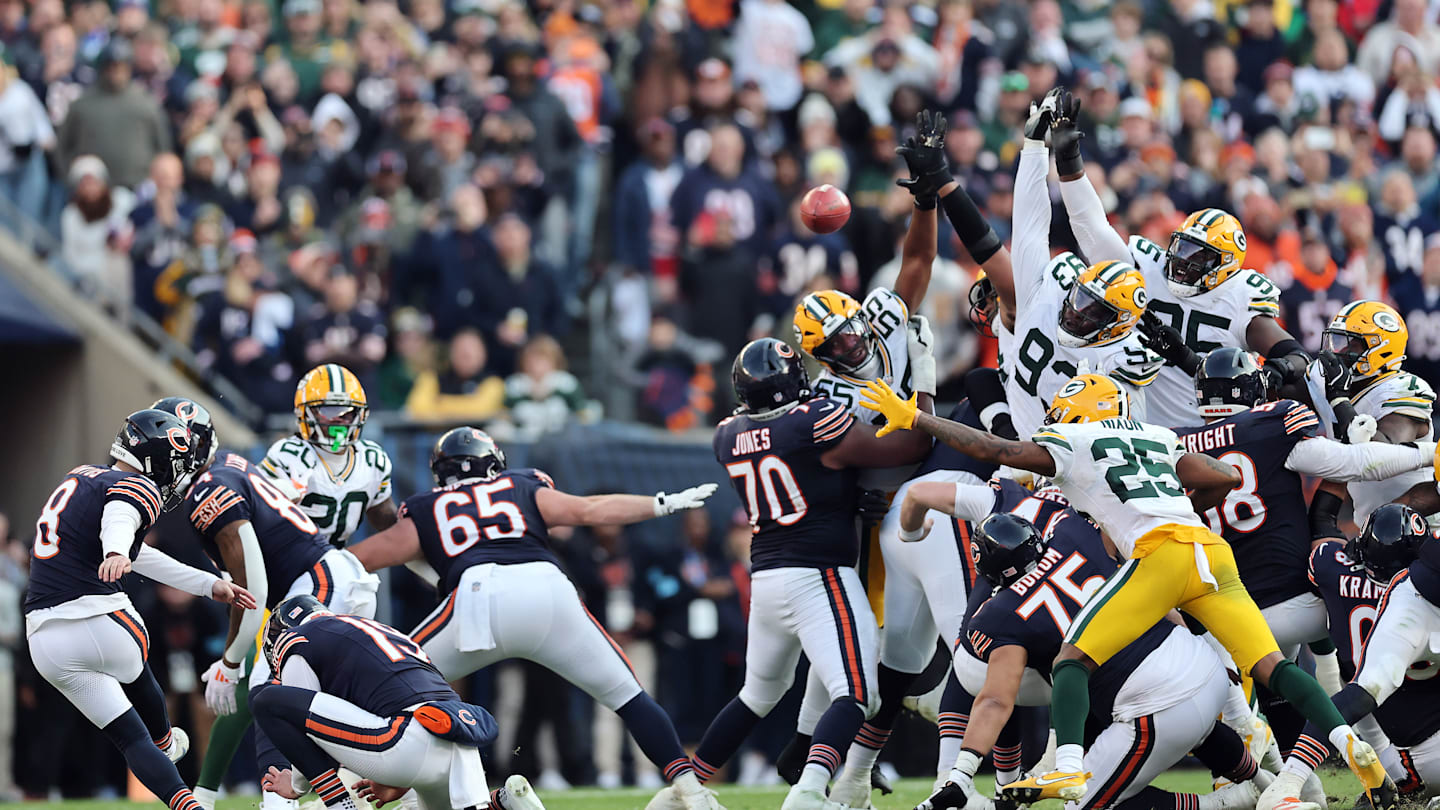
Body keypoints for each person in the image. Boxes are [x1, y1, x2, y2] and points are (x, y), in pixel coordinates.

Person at [860, 373, 1397, 810]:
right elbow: (1222, 476)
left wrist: (919, 419)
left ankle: (1067, 763)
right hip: (1209, 551)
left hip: (1159, 556)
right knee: (1273, 666)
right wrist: (1177, 505)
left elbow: (995, 447)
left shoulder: (1076, 443)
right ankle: (1349, 745)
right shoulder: (1156, 435)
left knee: (1073, 659)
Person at [349, 427, 723, 810]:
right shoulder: (521, 484)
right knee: (629, 696)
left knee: (387, 681)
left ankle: (353, 789)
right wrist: (661, 503)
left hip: (479, 597)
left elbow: (364, 558)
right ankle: (691, 790)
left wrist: (318, 561)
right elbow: (589, 510)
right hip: (546, 590)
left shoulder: (428, 506)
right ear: (494, 463)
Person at [690, 338, 931, 810]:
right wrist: (923, 378)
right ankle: (809, 789)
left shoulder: (726, 435)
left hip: (765, 578)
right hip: (818, 575)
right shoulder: (813, 420)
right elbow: (915, 444)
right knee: (858, 694)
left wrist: (848, 501)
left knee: (757, 694)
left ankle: (685, 787)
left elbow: (806, 477)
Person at [917, 511, 1265, 810]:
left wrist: (960, 773)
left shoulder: (999, 616)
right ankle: (1265, 783)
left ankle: (1221, 803)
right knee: (1199, 729)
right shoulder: (1075, 533)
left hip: (1155, 707)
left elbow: (996, 699)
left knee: (1082, 802)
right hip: (1200, 662)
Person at [157, 396, 380, 810]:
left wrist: (230, 661)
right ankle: (354, 790)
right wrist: (232, 657)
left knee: (267, 690)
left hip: (316, 581)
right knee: (301, 695)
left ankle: (281, 803)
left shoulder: (209, 490)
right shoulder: (227, 466)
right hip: (327, 578)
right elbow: (245, 581)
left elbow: (252, 588)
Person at [24, 409, 255, 810]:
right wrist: (116, 550)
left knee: (130, 737)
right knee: (136, 669)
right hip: (99, 617)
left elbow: (140, 553)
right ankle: (165, 739)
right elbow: (122, 518)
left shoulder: (81, 476)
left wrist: (206, 584)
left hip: (45, 641)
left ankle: (186, 803)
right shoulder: (136, 485)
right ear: (159, 459)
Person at [1174, 350, 1436, 693]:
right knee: (1331, 569)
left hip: (1230, 617)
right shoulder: (1271, 427)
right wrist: (1430, 453)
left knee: (1274, 683)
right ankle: (1350, 691)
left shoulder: (1174, 445)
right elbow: (1356, 463)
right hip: (1300, 602)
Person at [1049, 90, 1310, 429]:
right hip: (1140, 424)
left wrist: (1277, 370)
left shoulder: (1239, 297)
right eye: (1182, 249)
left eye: (1198, 257)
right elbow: (1092, 230)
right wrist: (1069, 161)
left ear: (1224, 266)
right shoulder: (1148, 268)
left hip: (1212, 432)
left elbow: (1297, 358)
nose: (1182, 262)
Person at [932, 92, 1161, 438]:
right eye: (1080, 299)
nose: (1077, 313)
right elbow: (1029, 228)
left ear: (1121, 325)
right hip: (1022, 450)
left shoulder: (1125, 355)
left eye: (1093, 311)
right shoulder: (1047, 297)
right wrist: (1035, 150)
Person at [254, 595, 547, 810]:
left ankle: (341, 805)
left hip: (404, 740)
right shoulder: (377, 630)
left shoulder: (297, 639)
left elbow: (302, 723)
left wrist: (297, 784)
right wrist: (396, 779)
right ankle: (504, 802)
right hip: (458, 743)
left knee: (266, 698)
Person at [1307, 506, 1440, 801]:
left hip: (1362, 687)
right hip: (1413, 695)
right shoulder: (1421, 594)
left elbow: (1320, 562)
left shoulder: (1332, 566)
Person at [256, 364, 397, 548]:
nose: (338, 420)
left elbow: (388, 522)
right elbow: (254, 512)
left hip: (336, 557)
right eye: (328, 411)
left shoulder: (372, 459)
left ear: (360, 414)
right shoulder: (288, 455)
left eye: (347, 412)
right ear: (305, 413)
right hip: (287, 557)